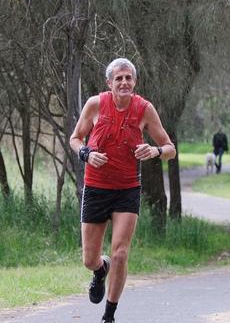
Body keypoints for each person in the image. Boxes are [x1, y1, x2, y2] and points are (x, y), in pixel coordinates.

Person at [69, 58, 176, 323]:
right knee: (89, 259)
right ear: (109, 83)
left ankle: (109, 315)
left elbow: (170, 148)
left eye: (128, 78)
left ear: (135, 82)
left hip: (127, 190)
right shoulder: (95, 105)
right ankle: (99, 269)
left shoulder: (144, 109)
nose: (124, 82)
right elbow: (75, 138)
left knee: (121, 253)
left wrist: (155, 150)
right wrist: (86, 153)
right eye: (119, 78)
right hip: (95, 188)